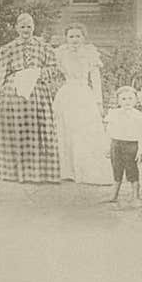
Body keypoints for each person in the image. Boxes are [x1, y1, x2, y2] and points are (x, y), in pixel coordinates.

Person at [0, 13, 61, 183]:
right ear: (16, 28)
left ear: (34, 27)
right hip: (15, 94)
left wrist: (37, 73)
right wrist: (6, 86)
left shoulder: (44, 47)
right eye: (22, 27)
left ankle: (39, 173)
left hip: (37, 94)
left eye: (29, 27)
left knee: (39, 131)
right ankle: (14, 173)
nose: (26, 30)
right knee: (17, 131)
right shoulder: (8, 48)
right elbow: (1, 72)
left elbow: (53, 68)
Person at [52, 23, 112, 184]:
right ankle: (68, 170)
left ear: (84, 38)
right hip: (66, 94)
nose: (74, 39)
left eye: (78, 36)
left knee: (84, 131)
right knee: (66, 130)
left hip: (84, 94)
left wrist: (99, 102)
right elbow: (53, 72)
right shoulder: (61, 53)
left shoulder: (90, 53)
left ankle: (86, 170)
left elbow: (96, 79)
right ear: (66, 38)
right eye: (71, 36)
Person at [104, 86, 142, 203]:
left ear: (136, 100)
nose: (127, 102)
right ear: (118, 101)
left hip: (131, 146)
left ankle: (135, 196)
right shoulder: (113, 114)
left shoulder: (140, 117)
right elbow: (109, 132)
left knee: (132, 170)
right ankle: (114, 195)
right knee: (116, 169)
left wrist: (141, 151)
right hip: (116, 145)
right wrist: (107, 147)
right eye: (123, 99)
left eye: (130, 98)